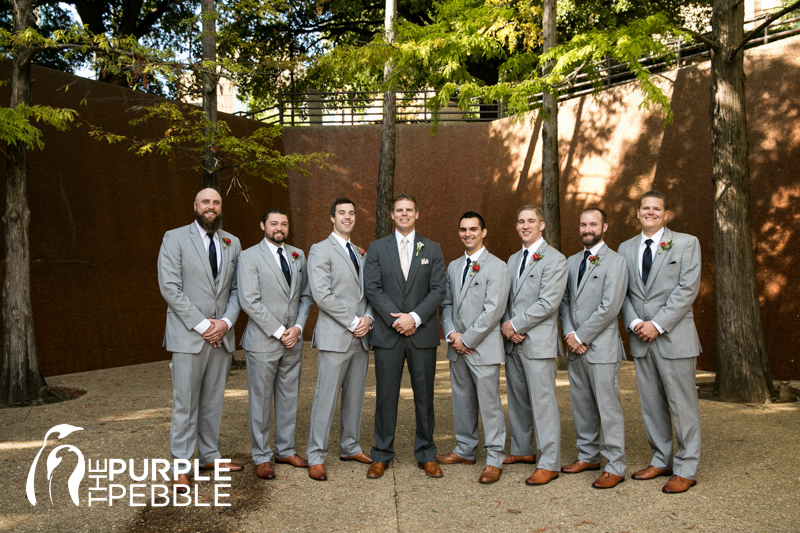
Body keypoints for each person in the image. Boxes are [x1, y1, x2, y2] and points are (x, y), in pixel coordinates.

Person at [157, 188, 243, 492]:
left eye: (216, 202)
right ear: (195, 206)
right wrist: (205, 325)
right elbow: (170, 288)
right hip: (189, 336)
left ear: (220, 208)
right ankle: (179, 464)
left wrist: (225, 323)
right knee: (185, 402)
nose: (211, 206)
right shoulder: (175, 238)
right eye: (206, 202)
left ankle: (209, 455)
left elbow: (236, 290)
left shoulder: (232, 242)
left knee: (212, 400)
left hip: (221, 336)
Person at [618, 190, 702, 494]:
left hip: (674, 338)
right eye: (645, 208)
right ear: (638, 213)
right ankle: (661, 459)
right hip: (640, 338)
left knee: (682, 405)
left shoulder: (686, 243)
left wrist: (658, 324)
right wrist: (635, 323)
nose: (650, 212)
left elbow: (687, 289)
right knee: (651, 405)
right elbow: (622, 292)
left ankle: (686, 467)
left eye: (656, 208)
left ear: (666, 214)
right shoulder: (625, 248)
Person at [363, 193, 446, 479]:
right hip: (389, 335)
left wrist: (416, 318)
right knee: (386, 397)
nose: (404, 214)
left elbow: (438, 289)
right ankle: (382, 454)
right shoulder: (376, 248)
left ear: (416, 214)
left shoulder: (432, 248)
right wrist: (397, 320)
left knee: (425, 397)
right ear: (392, 215)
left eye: (409, 210)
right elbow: (373, 288)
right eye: (399, 210)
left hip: (422, 335)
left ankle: (427, 454)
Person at [237, 208, 312, 480]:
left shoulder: (298, 255)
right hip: (263, 341)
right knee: (261, 399)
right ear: (262, 226)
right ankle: (261, 456)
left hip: (293, 340)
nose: (279, 227)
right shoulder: (248, 257)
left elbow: (305, 296)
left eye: (283, 223)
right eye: (273, 223)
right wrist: (280, 331)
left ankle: (285, 449)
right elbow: (249, 300)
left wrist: (298, 328)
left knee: (289, 396)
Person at [305, 198, 374, 481]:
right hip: (336, 336)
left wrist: (368, 318)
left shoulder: (361, 252)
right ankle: (315, 455)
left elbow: (368, 292)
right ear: (331, 218)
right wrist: (353, 321)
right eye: (342, 213)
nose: (347, 217)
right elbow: (322, 295)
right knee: (326, 397)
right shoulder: (320, 250)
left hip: (360, 338)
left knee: (355, 397)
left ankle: (350, 446)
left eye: (352, 213)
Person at [438, 212, 510, 484]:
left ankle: (494, 458)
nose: (467, 234)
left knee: (489, 404)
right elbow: (446, 304)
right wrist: (452, 334)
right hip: (456, 347)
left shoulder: (497, 266)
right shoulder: (454, 266)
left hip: (482, 348)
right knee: (462, 401)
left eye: (473, 229)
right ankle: (465, 449)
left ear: (484, 232)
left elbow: (494, 311)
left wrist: (467, 339)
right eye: (463, 229)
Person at [559, 207, 628, 489]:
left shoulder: (616, 262)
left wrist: (582, 336)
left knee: (608, 407)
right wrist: (569, 334)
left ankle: (615, 464)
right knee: (582, 405)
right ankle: (587, 455)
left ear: (605, 227)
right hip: (575, 347)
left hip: (600, 348)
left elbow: (610, 306)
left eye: (593, 224)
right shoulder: (572, 261)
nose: (587, 229)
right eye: (583, 224)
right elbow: (564, 302)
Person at [501, 205, 568, 486]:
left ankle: (549, 461)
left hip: (537, 342)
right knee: (516, 399)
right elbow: (504, 298)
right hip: (513, 342)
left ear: (542, 225)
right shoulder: (513, 258)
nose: (525, 225)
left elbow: (549, 302)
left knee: (543, 402)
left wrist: (515, 325)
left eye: (531, 221)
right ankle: (522, 449)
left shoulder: (555, 259)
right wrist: (507, 325)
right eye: (520, 222)